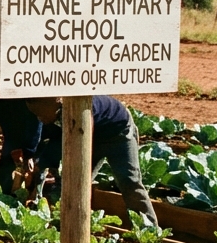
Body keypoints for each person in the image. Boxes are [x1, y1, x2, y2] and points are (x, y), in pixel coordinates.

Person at [25, 95, 158, 225]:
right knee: (76, 183)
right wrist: (34, 159)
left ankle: (149, 228)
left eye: (41, 115)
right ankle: (67, 222)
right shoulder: (49, 114)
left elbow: (65, 143)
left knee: (129, 180)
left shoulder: (78, 110)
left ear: (55, 107)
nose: (40, 119)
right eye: (36, 115)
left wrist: (44, 162)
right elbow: (44, 139)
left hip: (118, 133)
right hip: (89, 137)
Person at [0, 51, 41, 195]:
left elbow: (35, 121)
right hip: (14, 131)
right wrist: (13, 146)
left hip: (39, 131)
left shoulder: (23, 85)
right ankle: (2, 200)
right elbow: (4, 117)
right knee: (6, 168)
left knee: (36, 173)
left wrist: (29, 153)